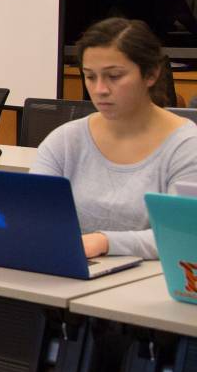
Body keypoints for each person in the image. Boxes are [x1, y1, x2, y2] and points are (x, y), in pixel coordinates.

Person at [31, 18, 197, 261]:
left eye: (114, 76)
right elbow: (30, 214)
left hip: (149, 284)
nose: (100, 89)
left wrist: (105, 241)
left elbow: (183, 235)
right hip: (70, 274)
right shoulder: (65, 140)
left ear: (150, 74)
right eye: (90, 77)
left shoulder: (186, 146)